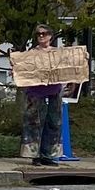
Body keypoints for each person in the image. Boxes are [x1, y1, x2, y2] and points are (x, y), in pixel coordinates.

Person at [19, 24, 64, 166]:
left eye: (44, 33)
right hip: (35, 92)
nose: (41, 36)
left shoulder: (58, 53)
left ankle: (48, 155)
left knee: (53, 123)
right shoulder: (31, 53)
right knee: (34, 123)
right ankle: (35, 155)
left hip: (54, 91)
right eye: (38, 34)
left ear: (50, 36)